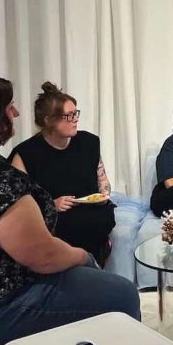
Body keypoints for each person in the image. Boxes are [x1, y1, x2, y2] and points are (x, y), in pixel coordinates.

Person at [0, 74, 139, 345]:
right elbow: (43, 255)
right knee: (121, 293)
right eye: (8, 106)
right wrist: (82, 257)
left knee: (91, 284)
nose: (16, 113)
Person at [10, 82, 116, 263]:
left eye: (76, 113)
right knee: (69, 226)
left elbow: (103, 181)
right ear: (48, 120)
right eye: (69, 116)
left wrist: (103, 194)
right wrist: (51, 204)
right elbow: (17, 203)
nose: (76, 119)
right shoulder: (26, 153)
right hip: (57, 216)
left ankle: (97, 254)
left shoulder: (89, 142)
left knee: (102, 217)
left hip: (91, 209)